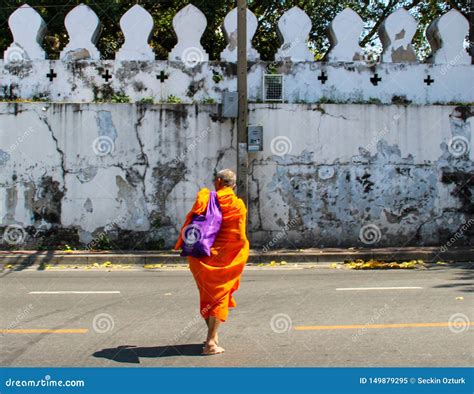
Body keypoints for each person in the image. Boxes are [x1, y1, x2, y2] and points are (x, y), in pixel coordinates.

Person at [174, 169, 249, 355]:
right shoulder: (238, 205)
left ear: (218, 181)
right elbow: (239, 236)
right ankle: (210, 343)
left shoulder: (206, 198)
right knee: (219, 297)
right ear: (233, 185)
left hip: (200, 256)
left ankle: (213, 336)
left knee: (207, 297)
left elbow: (191, 222)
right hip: (224, 260)